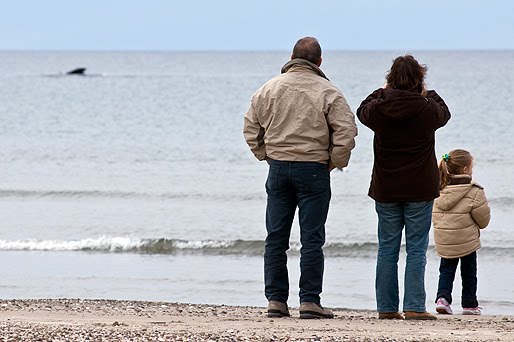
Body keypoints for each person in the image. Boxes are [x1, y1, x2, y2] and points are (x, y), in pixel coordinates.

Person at [243, 37, 358, 319]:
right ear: (319, 62)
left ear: (291, 57)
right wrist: (334, 162)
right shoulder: (329, 91)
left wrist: (266, 155)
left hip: (279, 168)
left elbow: (250, 128)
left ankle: (276, 301)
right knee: (312, 239)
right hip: (314, 168)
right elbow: (346, 132)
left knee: (276, 238)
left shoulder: (268, 89)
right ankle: (309, 301)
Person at [356, 55, 451, 320]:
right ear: (420, 79)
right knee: (416, 248)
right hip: (419, 187)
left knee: (387, 247)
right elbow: (445, 111)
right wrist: (425, 92)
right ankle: (414, 306)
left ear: (390, 79)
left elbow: (362, 108)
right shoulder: (427, 107)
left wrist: (383, 91)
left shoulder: (379, 109)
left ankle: (386, 308)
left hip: (386, 187)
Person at [432, 149, 491, 315]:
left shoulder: (438, 189)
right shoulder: (474, 191)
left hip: (445, 239)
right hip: (467, 241)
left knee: (446, 270)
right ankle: (469, 304)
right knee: (469, 272)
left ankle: (442, 299)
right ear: (465, 169)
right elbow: (483, 220)